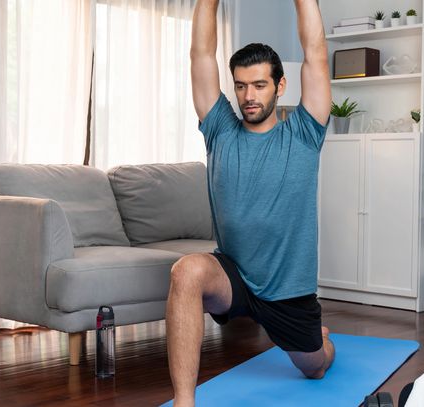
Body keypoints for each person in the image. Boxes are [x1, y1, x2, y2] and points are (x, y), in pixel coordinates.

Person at [165, 1, 333, 405]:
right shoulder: (220, 129)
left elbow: (316, 53)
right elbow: (200, 54)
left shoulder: (304, 134)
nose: (248, 96)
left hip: (288, 290)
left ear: (280, 86)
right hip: (234, 276)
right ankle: (185, 402)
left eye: (259, 85)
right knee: (185, 271)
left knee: (315, 366)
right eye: (240, 86)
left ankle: (322, 340)